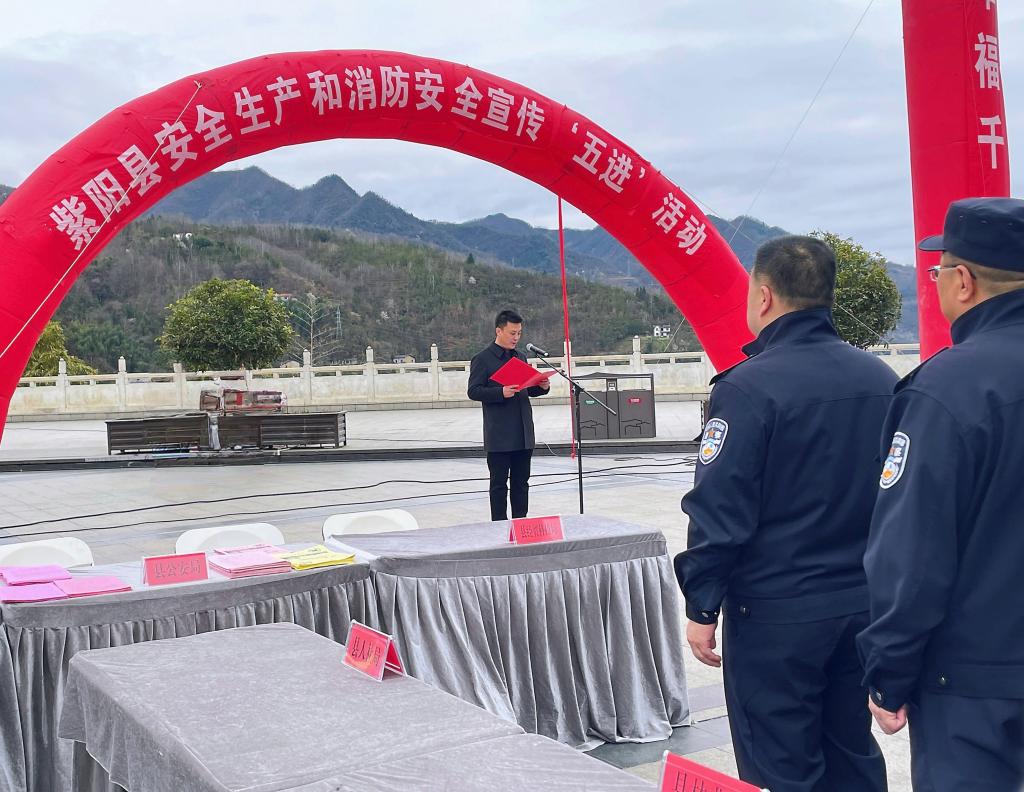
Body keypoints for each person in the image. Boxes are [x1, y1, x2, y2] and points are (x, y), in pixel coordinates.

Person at [674, 235, 895, 791]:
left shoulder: (747, 388)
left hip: (777, 613)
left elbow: (720, 508)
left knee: (780, 765)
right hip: (862, 605)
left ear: (765, 296)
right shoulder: (881, 380)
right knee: (851, 752)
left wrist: (702, 604)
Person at [857, 197, 1024, 791]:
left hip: (978, 683)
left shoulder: (947, 388)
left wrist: (889, 671)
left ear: (963, 281)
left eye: (937, 271)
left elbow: (913, 554)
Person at [467, 309, 550, 520]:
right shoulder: (483, 359)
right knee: (499, 485)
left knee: (521, 484)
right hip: (499, 435)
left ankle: (521, 524)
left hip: (523, 432)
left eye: (519, 333)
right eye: (512, 333)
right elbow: (473, 391)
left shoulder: (520, 357)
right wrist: (500, 392)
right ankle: (499, 527)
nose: (516, 337)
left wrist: (542, 386)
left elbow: (526, 389)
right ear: (499, 331)